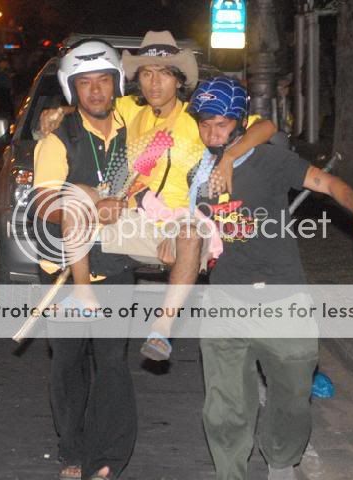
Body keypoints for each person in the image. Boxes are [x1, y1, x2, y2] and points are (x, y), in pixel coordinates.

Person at [39, 31, 277, 362]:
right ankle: (83, 295)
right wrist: (59, 112)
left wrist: (229, 157)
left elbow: (266, 127)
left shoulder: (198, 118)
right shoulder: (128, 110)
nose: (154, 83)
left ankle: (162, 329)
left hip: (181, 221)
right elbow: (91, 103)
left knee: (189, 235)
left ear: (179, 79)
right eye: (147, 73)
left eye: (164, 73)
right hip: (134, 213)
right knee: (76, 193)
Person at [186, 77, 353, 480]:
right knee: (223, 406)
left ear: (239, 123)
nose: (212, 134)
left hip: (281, 299)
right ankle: (230, 472)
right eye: (205, 125)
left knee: (293, 395)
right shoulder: (195, 173)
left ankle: (280, 460)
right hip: (225, 301)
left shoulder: (269, 160)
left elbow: (329, 183)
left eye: (221, 124)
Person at [33, 39, 137, 480]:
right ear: (71, 89)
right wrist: (85, 208)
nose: (96, 91)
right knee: (68, 365)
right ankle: (72, 450)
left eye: (103, 81)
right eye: (85, 83)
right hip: (64, 271)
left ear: (116, 83)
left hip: (115, 265)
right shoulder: (57, 138)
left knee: (112, 364)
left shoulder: (135, 124)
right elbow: (44, 206)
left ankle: (108, 453)